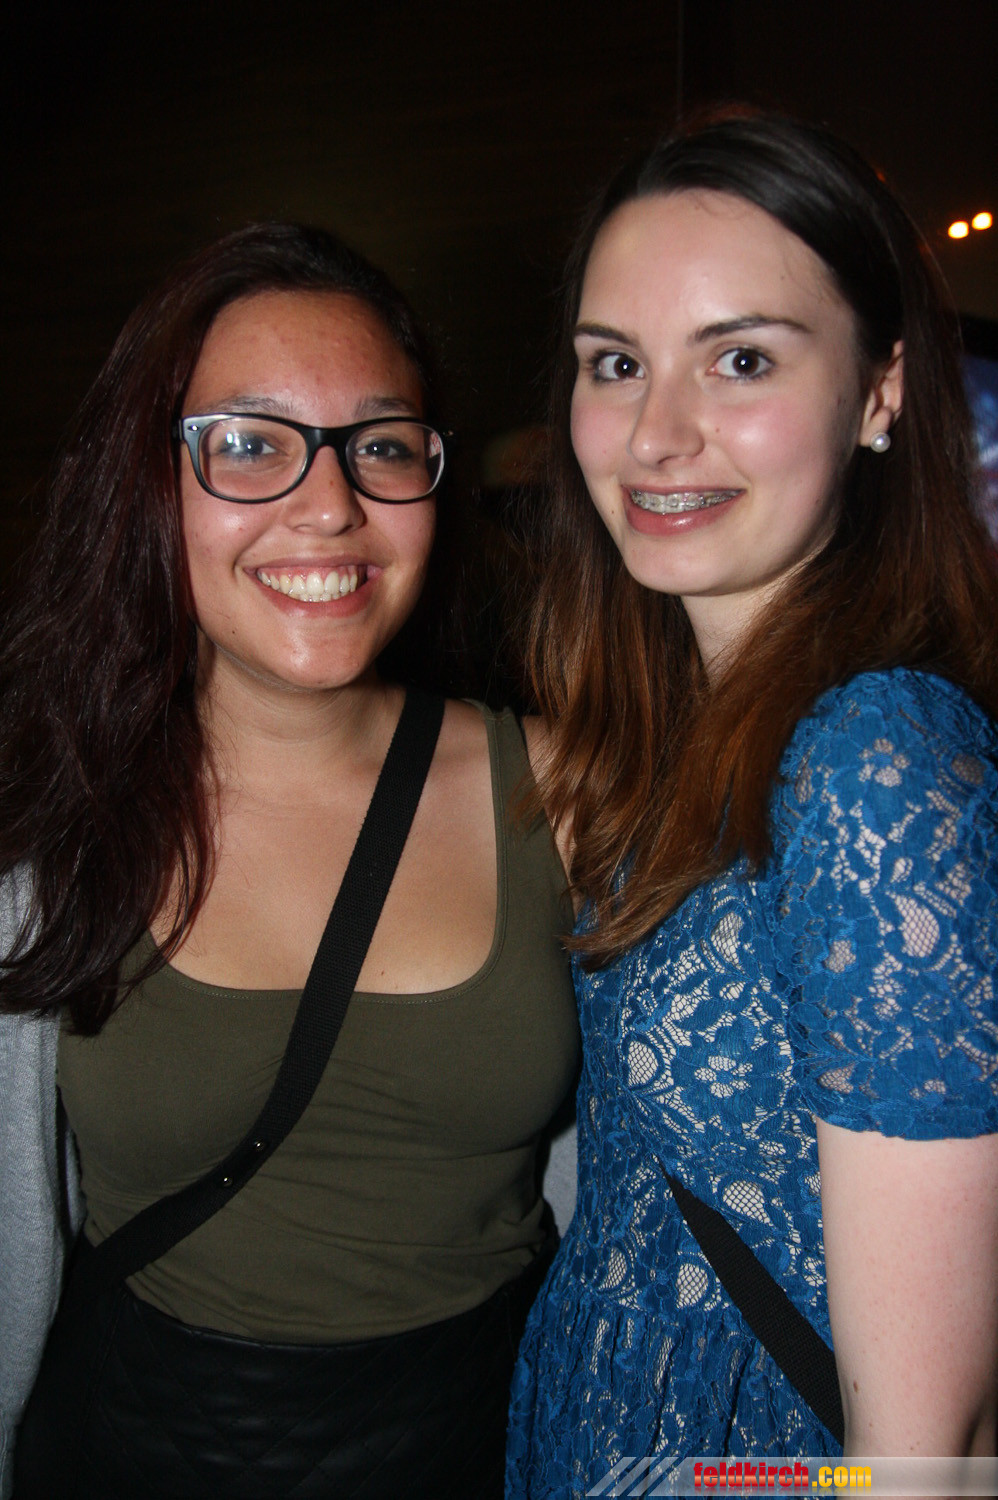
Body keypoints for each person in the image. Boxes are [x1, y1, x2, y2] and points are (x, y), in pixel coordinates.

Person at [0, 222, 579, 1499]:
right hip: (130, 1449)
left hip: (480, 1446)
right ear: (144, 482)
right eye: (250, 444)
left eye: (381, 445)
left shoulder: (568, 791)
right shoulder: (49, 823)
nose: (329, 505)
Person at [505, 112, 998, 1496]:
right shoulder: (667, 730)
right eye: (614, 364)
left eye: (739, 359)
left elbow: (929, 1455)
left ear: (879, 392)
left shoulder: (874, 760)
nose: (655, 434)